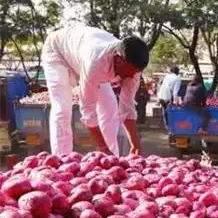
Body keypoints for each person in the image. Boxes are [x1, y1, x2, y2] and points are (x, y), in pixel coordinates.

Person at [41, 25, 148, 156]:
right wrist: (102, 147)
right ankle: (61, 159)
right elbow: (88, 111)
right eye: (130, 72)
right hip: (57, 51)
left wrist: (135, 143)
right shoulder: (96, 63)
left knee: (109, 107)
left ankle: (112, 158)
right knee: (63, 107)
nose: (131, 77)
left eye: (135, 73)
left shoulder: (133, 70)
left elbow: (127, 107)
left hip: (81, 52)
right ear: (119, 59)